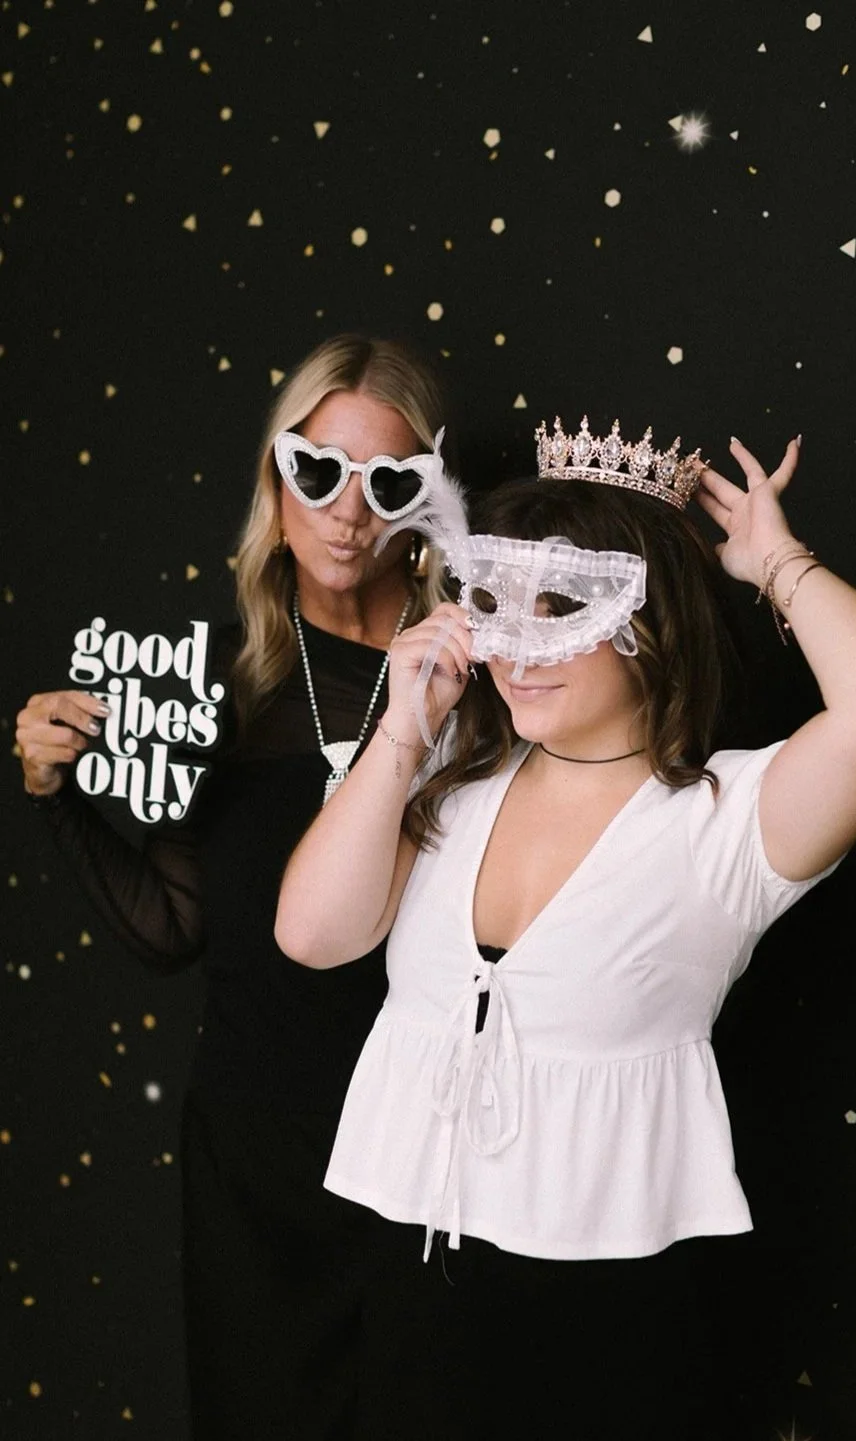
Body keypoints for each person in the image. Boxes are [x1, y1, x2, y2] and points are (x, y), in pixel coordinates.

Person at [275, 419, 856, 1439]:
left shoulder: (729, 819)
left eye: (561, 607)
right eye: (493, 602)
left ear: (650, 621)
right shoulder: (449, 779)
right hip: (412, 1279)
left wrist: (772, 560)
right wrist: (404, 725)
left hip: (608, 1311)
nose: (516, 646)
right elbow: (313, 935)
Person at [15, 333, 456, 1440]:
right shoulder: (216, 681)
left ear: (426, 496)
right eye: (318, 470)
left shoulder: (476, 682)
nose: (346, 513)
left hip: (429, 1147)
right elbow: (175, 930)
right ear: (276, 474)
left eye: (385, 483)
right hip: (255, 1163)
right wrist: (55, 794)